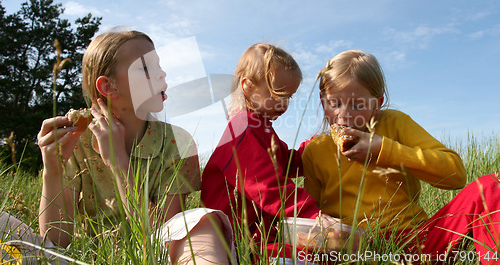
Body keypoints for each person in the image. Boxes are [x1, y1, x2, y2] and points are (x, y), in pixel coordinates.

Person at [34, 29, 234, 264]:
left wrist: (118, 161)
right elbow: (55, 242)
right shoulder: (77, 142)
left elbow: (165, 235)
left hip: (150, 257)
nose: (162, 73)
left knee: (201, 223)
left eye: (158, 65)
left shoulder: (177, 143)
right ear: (109, 87)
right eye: (146, 68)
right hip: (87, 259)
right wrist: (53, 169)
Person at [302, 49, 500, 264]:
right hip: (353, 249)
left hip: (414, 241)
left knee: (491, 186)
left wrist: (384, 149)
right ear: (323, 102)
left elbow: (456, 175)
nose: (344, 114)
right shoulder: (316, 149)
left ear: (377, 104)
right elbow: (311, 211)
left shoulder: (394, 123)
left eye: (358, 105)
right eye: (335, 104)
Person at [201, 43, 338, 262]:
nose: (284, 104)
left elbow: (289, 162)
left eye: (289, 97)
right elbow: (267, 185)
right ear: (247, 87)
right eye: (278, 94)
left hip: (257, 238)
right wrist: (313, 214)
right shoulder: (242, 128)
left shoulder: (261, 128)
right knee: (308, 257)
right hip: (231, 241)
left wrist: (317, 146)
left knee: (317, 255)